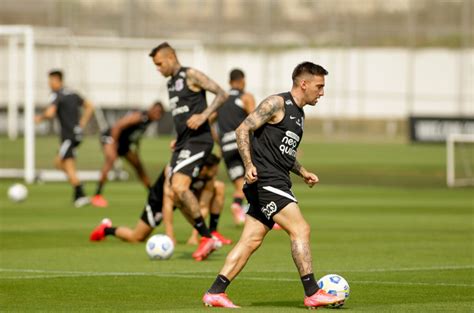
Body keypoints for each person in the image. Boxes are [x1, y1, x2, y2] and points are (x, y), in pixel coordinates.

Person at [202, 62, 344, 309]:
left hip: (275, 179)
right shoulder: (276, 104)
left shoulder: (299, 115)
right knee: (301, 229)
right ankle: (312, 291)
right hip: (266, 181)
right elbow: (242, 129)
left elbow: (283, 154)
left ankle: (216, 292)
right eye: (319, 86)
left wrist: (302, 171)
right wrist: (248, 165)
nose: (322, 92)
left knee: (251, 240)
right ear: (304, 83)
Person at [149, 42, 228, 261]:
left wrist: (204, 116)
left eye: (159, 64)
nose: (158, 69)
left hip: (199, 141)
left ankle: (206, 236)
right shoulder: (171, 84)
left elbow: (222, 94)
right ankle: (207, 236)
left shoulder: (190, 75)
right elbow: (183, 116)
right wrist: (178, 137)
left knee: (179, 186)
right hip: (183, 142)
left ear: (171, 57)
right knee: (174, 193)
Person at [89, 154, 232, 250]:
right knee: (136, 237)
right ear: (205, 168)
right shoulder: (176, 171)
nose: (216, 172)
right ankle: (106, 229)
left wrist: (195, 237)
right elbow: (167, 203)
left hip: (186, 198)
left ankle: (210, 234)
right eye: (214, 169)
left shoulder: (208, 177)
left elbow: (202, 206)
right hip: (159, 199)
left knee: (218, 187)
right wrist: (170, 236)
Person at [35, 70, 94, 208]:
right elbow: (90, 106)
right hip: (75, 135)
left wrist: (40, 117)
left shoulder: (57, 95)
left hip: (68, 136)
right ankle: (77, 187)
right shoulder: (72, 93)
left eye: (51, 81)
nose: (49, 84)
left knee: (61, 163)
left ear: (58, 80)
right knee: (63, 164)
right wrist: (82, 123)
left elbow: (50, 113)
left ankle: (80, 192)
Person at [91, 101, 164, 208]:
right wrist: (113, 143)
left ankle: (153, 195)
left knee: (138, 166)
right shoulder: (140, 116)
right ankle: (97, 196)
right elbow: (118, 126)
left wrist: (136, 150)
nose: (158, 115)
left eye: (160, 113)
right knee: (111, 159)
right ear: (151, 109)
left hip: (124, 144)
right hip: (110, 137)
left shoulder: (148, 121)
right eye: (156, 112)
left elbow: (135, 136)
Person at [213, 69, 256, 226]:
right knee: (258, 178)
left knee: (241, 184)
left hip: (226, 147)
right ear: (242, 80)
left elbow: (208, 121)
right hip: (243, 145)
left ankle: (237, 205)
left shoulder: (221, 99)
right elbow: (256, 119)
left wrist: (219, 141)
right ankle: (271, 215)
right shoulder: (246, 97)